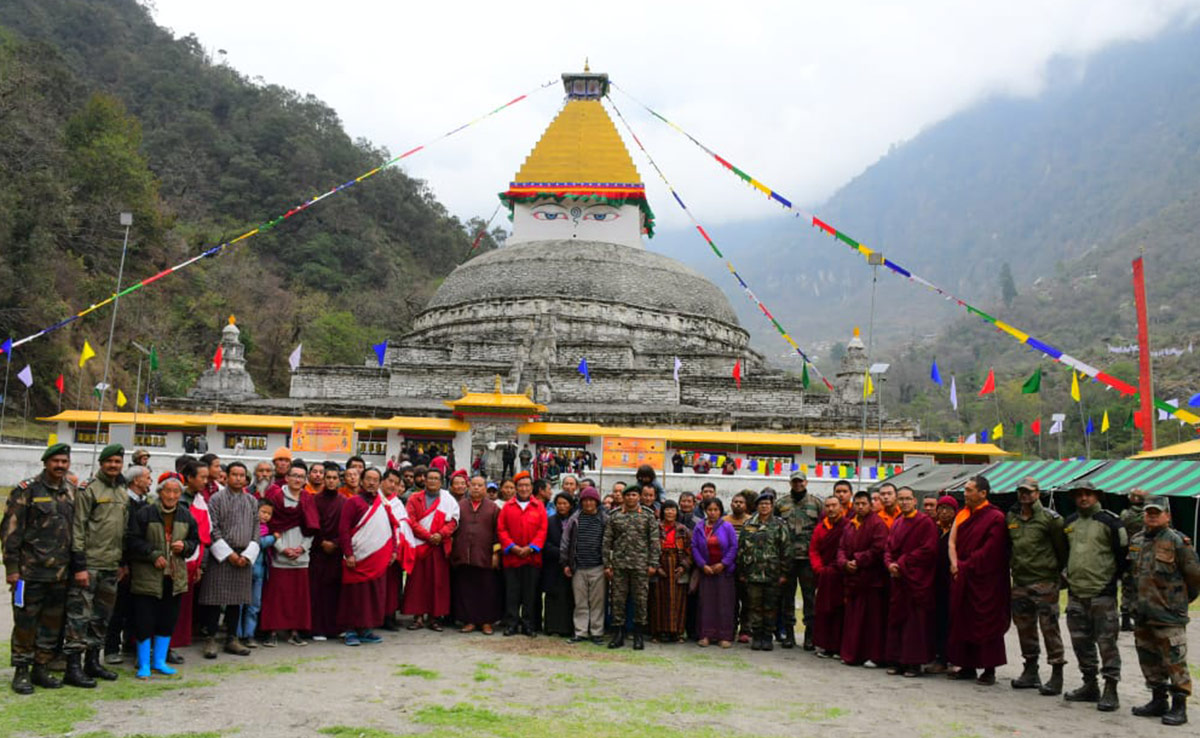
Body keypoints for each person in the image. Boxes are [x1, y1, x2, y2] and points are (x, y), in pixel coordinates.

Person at [3, 443, 76, 694]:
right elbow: (11, 532)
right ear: (45, 463)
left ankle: (41, 668)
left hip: (60, 573)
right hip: (28, 573)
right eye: (55, 461)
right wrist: (12, 569)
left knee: (51, 624)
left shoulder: (71, 491)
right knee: (25, 622)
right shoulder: (27, 490)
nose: (60, 466)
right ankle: (21, 671)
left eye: (64, 462)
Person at [1128, 495, 1200, 726]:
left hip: (1168, 615)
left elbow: (1194, 577)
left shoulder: (1178, 542)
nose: (1151, 516)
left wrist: (1178, 602)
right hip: (1143, 613)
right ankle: (1158, 700)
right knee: (1148, 659)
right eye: (1148, 512)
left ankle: (1180, 706)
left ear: (1167, 516)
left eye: (1156, 512)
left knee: (1175, 661)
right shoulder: (1137, 540)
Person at [64, 443, 129, 687]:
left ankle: (92, 662)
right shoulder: (89, 489)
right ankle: (73, 667)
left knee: (101, 617)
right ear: (101, 463)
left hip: (111, 566)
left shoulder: (122, 491)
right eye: (109, 461)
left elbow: (122, 530)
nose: (114, 466)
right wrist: (79, 564)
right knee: (79, 617)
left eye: (118, 462)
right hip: (88, 564)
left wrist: (122, 562)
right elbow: (78, 528)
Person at [125, 473, 199, 680]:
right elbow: (132, 540)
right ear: (160, 492)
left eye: (177, 492)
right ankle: (144, 663)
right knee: (144, 620)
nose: (172, 495)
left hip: (174, 576)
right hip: (148, 576)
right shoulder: (145, 513)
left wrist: (185, 546)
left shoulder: (185, 515)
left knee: (167, 619)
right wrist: (152, 554)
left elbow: (195, 540)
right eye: (168, 491)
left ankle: (159, 661)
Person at [1062, 480, 1127, 711]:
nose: (1083, 498)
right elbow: (1064, 553)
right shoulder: (1069, 522)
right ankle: (1089, 684)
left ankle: (1111, 688)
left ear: (1096, 496)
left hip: (1102, 594)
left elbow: (1122, 556)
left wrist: (1110, 583)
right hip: (1076, 593)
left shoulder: (1110, 521)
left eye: (1088, 494)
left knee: (1107, 643)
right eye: (1079, 495)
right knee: (1080, 642)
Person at [1006, 476, 1068, 694]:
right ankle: (1030, 669)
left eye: (1029, 491)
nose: (1024, 495)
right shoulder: (1012, 517)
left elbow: (1062, 550)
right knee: (1024, 628)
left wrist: (1055, 574)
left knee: (1049, 627)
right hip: (1021, 581)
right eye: (1021, 491)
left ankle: (1057, 673)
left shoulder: (1051, 519)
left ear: (1037, 493)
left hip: (1045, 581)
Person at [947, 475, 1010, 685]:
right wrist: (955, 564)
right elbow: (953, 542)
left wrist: (964, 566)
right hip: (964, 575)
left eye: (969, 490)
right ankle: (967, 665)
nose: (965, 494)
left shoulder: (995, 517)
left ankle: (989, 669)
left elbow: (990, 551)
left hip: (986, 580)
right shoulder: (964, 515)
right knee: (963, 619)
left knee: (986, 622)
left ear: (983, 493)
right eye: (965, 490)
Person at [196, 461, 258, 659]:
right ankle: (211, 638)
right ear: (227, 476)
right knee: (215, 600)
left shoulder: (252, 501)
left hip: (244, 556)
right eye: (234, 474)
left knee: (236, 601)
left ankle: (232, 638)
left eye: (242, 475)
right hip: (221, 557)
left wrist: (247, 554)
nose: (238, 478)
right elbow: (212, 528)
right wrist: (228, 554)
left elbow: (257, 529)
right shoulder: (216, 499)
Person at [337, 467, 397, 647]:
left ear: (380, 483)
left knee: (373, 594)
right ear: (362, 481)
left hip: (377, 558)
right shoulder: (353, 502)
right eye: (368, 479)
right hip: (357, 557)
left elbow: (391, 528)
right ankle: (350, 630)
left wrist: (393, 550)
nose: (371, 482)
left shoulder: (383, 504)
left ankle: (365, 629)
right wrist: (348, 553)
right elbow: (343, 530)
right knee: (354, 595)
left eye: (375, 479)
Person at [883, 486, 938, 677]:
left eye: (908, 499)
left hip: (916, 580)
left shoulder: (925, 522)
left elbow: (928, 550)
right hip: (898, 580)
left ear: (915, 501)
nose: (904, 502)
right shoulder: (897, 523)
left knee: (915, 624)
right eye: (901, 499)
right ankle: (897, 660)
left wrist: (902, 563)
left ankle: (913, 663)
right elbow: (888, 547)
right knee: (897, 621)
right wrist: (889, 564)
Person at [261, 462, 317, 647]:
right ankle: (273, 632)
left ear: (305, 480)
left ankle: (295, 632)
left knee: (298, 597)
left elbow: (312, 528)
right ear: (287, 477)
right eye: (294, 475)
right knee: (277, 597)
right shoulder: (276, 497)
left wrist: (302, 548)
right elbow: (270, 526)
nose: (297, 479)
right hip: (280, 555)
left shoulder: (307, 499)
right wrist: (282, 548)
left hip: (301, 555)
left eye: (301, 477)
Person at [105, 465, 152, 665]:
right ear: (136, 481)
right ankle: (111, 648)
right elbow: (120, 534)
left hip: (140, 563)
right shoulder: (124, 502)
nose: (150, 481)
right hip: (124, 561)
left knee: (136, 607)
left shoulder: (145, 503)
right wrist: (122, 562)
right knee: (119, 607)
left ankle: (131, 643)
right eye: (147, 478)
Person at [604, 483, 660, 650]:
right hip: (619, 566)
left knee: (640, 601)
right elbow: (607, 542)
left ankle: (638, 635)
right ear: (623, 497)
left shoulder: (648, 516)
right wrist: (607, 564)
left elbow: (654, 542)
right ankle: (618, 634)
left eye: (634, 495)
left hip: (641, 566)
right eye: (628, 495)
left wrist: (653, 564)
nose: (630, 498)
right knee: (617, 601)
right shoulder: (614, 516)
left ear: (639, 498)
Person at [403, 468, 459, 630]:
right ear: (424, 480)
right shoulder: (414, 499)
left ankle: (434, 617)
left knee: (438, 582)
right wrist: (428, 536)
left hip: (439, 546)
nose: (433, 481)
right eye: (430, 478)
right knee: (417, 583)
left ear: (441, 482)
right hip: (420, 544)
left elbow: (454, 521)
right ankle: (418, 616)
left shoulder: (448, 500)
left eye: (436, 478)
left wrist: (440, 535)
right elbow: (410, 520)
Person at [837, 491, 888, 666]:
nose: (860, 507)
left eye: (863, 503)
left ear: (870, 505)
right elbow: (841, 548)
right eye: (857, 503)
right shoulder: (850, 524)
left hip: (871, 578)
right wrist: (844, 562)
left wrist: (857, 560)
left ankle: (873, 656)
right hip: (853, 578)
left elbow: (878, 549)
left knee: (871, 621)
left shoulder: (877, 524)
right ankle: (852, 654)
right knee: (853, 619)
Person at [737, 490, 790, 652]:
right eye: (761, 504)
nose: (764, 507)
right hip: (752, 574)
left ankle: (767, 637)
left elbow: (786, 550)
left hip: (772, 574)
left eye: (767, 504)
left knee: (771, 607)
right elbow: (741, 550)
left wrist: (784, 573)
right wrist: (742, 572)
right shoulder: (749, 525)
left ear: (772, 506)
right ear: (756, 506)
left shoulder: (779, 525)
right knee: (754, 607)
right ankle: (757, 635)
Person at [450, 474, 502, 635]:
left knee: (487, 590)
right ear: (468, 487)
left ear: (485, 488)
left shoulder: (493, 508)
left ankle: (486, 622)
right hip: (464, 556)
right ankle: (469, 621)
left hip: (485, 556)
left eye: (480, 485)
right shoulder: (460, 506)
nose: (476, 488)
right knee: (466, 590)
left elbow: (498, 533)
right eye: (473, 485)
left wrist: (496, 553)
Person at [497, 472, 547, 637]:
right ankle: (511, 623)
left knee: (530, 593)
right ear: (516, 488)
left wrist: (531, 547)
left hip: (532, 558)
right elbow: (501, 529)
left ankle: (528, 624)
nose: (524, 488)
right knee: (512, 592)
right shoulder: (508, 506)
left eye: (527, 485)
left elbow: (542, 529)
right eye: (521, 486)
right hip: (512, 557)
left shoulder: (539, 506)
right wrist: (512, 547)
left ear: (531, 488)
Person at [776, 470, 821, 650]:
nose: (798, 485)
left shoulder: (816, 503)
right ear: (790, 483)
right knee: (788, 597)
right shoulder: (781, 504)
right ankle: (789, 635)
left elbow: (822, 530)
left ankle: (810, 636)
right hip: (788, 559)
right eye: (795, 482)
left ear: (806, 483)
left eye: (801, 482)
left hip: (808, 560)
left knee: (809, 598)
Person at [171, 458, 211, 659]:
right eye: (202, 477)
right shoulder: (179, 500)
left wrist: (200, 565)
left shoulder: (200, 500)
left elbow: (204, 535)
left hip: (194, 559)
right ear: (189, 478)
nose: (206, 481)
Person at [562, 486, 608, 644]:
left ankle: (597, 632)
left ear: (597, 502)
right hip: (578, 567)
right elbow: (565, 542)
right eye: (585, 500)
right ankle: (580, 632)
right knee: (580, 602)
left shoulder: (604, 519)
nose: (588, 503)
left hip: (598, 566)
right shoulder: (575, 519)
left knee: (597, 602)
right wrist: (566, 563)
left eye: (591, 500)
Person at [692, 497, 737, 648]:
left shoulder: (727, 527)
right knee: (706, 604)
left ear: (720, 511)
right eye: (709, 510)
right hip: (706, 571)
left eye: (715, 510)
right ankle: (706, 635)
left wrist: (723, 564)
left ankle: (724, 636)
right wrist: (702, 564)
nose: (712, 513)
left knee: (724, 604)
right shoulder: (699, 527)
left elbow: (733, 547)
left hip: (723, 571)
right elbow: (695, 547)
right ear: (705, 511)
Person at [308, 465, 346, 641]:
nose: (331, 481)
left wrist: (336, 543)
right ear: (323, 479)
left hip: (336, 552)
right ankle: (317, 628)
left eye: (334, 478)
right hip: (318, 551)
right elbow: (310, 525)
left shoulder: (344, 502)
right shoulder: (314, 500)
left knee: (335, 591)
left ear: (339, 480)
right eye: (328, 477)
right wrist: (322, 542)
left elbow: (347, 528)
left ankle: (335, 628)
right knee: (317, 591)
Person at [810, 495, 848, 659]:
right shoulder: (820, 528)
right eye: (828, 506)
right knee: (824, 610)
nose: (831, 509)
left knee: (840, 611)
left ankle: (839, 646)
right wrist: (819, 569)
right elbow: (814, 550)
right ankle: (825, 645)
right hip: (825, 575)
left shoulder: (848, 526)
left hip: (841, 575)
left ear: (841, 507)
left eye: (834, 505)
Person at [650, 500, 692, 643]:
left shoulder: (683, 530)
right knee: (658, 600)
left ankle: (677, 632)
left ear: (677, 512)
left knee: (678, 601)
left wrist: (684, 566)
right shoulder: (655, 528)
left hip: (677, 566)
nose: (670, 512)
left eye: (673, 509)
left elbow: (690, 550)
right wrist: (656, 567)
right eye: (667, 509)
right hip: (660, 565)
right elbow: (649, 548)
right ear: (662, 511)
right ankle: (658, 632)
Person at [238, 500, 274, 648]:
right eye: (263, 512)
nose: (265, 516)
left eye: (269, 513)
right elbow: (258, 542)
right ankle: (237, 634)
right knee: (239, 604)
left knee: (254, 605)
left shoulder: (267, 528)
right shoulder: (249, 527)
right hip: (244, 570)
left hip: (259, 572)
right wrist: (273, 538)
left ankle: (249, 634)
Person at [929, 494, 957, 674]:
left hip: (952, 582)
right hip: (935, 582)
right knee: (937, 621)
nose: (944, 512)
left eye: (948, 509)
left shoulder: (958, 530)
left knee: (952, 621)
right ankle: (939, 657)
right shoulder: (934, 530)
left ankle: (953, 658)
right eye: (941, 509)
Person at [542, 493, 575, 637]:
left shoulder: (575, 521)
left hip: (570, 564)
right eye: (559, 504)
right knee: (553, 596)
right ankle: (551, 626)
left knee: (568, 597)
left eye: (565, 504)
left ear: (571, 505)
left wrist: (568, 556)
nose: (562, 506)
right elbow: (545, 543)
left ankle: (566, 628)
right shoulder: (549, 521)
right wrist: (561, 553)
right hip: (553, 564)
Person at [378, 468, 407, 630]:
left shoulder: (397, 503)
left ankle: (389, 616)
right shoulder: (375, 499)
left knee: (392, 585)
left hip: (394, 550)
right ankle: (377, 616)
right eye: (390, 481)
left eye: (396, 483)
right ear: (382, 481)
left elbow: (403, 525)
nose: (393, 485)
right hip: (377, 548)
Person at [724, 490, 754, 643]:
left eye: (741, 502)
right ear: (731, 504)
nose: (738, 504)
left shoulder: (752, 521)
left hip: (747, 567)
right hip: (728, 566)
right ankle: (731, 627)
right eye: (735, 502)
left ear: (746, 505)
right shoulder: (724, 521)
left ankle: (745, 629)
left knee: (747, 599)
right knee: (731, 600)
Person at [1119, 488, 1147, 632]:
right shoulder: (1148, 515)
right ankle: (1139, 618)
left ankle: (1125, 618)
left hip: (1129, 554)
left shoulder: (1125, 515)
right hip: (1145, 555)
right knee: (1141, 587)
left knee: (1127, 587)